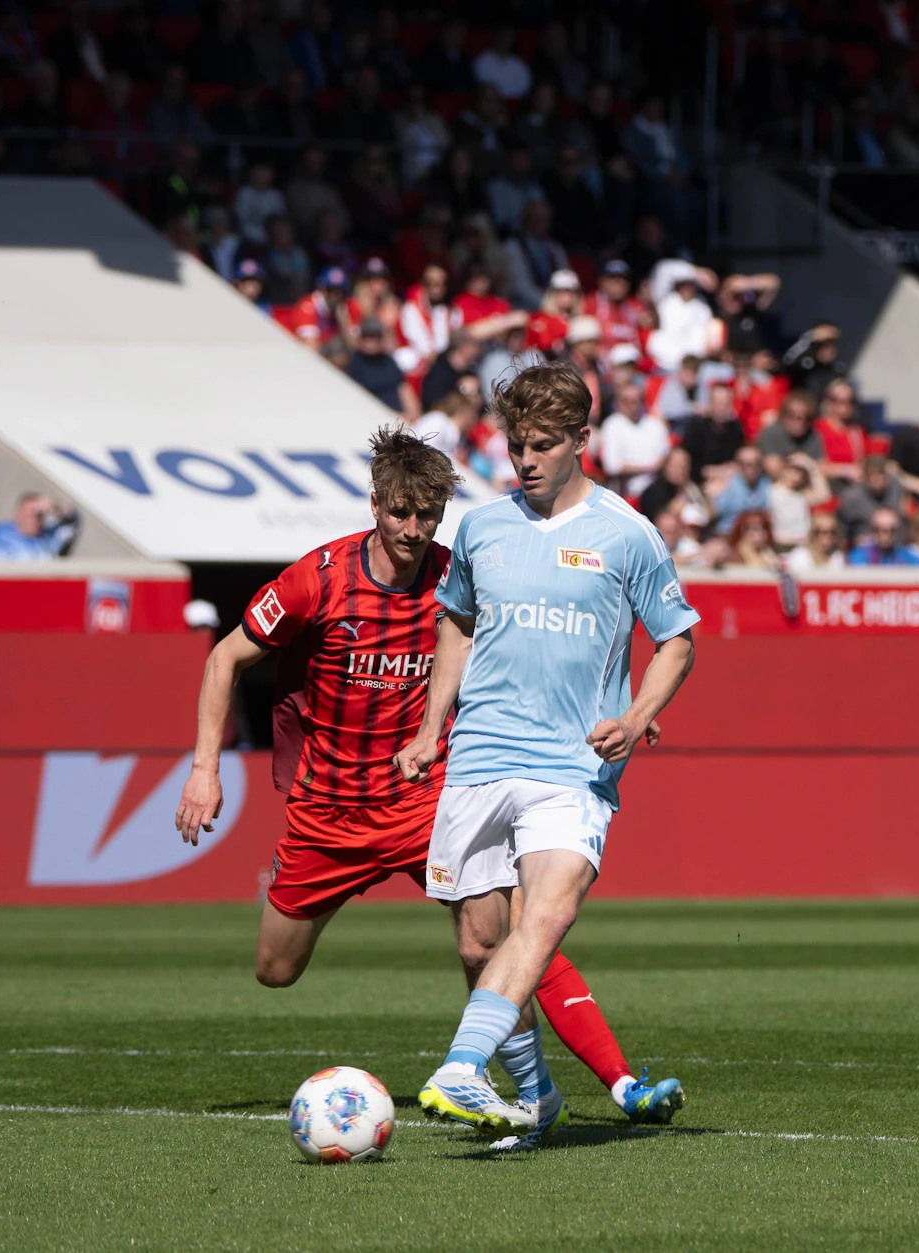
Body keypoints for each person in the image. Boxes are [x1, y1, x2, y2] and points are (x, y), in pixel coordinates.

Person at [174, 427, 682, 1135]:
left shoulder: (461, 570)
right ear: (376, 502)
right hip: (327, 809)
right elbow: (225, 658)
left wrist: (630, 711)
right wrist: (204, 769)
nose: (414, 530)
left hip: (427, 795)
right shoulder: (316, 578)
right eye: (401, 513)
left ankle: (603, 1082)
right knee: (274, 969)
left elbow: (545, 644)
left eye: (427, 515)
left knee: (510, 931)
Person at [396, 364, 698, 1148]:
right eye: (516, 444)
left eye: (543, 444)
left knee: (550, 911)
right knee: (477, 944)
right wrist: (432, 727)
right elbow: (455, 626)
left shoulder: (628, 533)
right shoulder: (482, 529)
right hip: (480, 757)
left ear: (581, 443)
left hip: (572, 765)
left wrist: (636, 717)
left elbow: (677, 642)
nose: (525, 458)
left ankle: (463, 1064)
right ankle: (537, 1095)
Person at [596, 381, 672, 501]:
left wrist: (659, 465)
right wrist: (649, 467)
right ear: (619, 402)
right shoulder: (612, 425)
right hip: (627, 493)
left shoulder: (654, 423)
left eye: (637, 400)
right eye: (628, 401)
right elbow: (612, 466)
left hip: (659, 488)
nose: (633, 405)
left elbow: (666, 454)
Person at [344, 320, 419, 420]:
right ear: (360, 339)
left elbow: (404, 389)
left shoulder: (389, 362)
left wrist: (412, 414)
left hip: (402, 419)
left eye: (375, 337)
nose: (371, 342)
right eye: (367, 337)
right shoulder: (354, 364)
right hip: (376, 419)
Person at [0, 492, 80, 560]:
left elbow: (74, 519)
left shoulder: (46, 537)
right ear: (18, 513)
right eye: (32, 514)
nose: (36, 520)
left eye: (40, 515)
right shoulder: (2, 536)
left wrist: (55, 505)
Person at [835, 454, 907, 544]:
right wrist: (854, 538)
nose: (876, 480)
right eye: (871, 476)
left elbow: (903, 517)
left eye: (880, 475)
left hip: (894, 542)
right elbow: (841, 527)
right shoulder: (851, 497)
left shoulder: (895, 487)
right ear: (864, 477)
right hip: (864, 545)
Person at [755, 389, 824, 480]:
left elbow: (821, 468)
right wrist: (803, 463)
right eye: (792, 416)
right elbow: (773, 469)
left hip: (805, 487)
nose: (798, 422)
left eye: (805, 418)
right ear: (783, 415)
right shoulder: (771, 433)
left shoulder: (813, 436)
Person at [712, 445, 771, 535]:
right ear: (737, 465)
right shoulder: (726, 484)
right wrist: (711, 497)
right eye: (745, 464)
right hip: (728, 534)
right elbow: (712, 515)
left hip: (758, 538)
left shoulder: (767, 484)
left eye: (756, 464)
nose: (751, 469)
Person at [786, 513, 847, 579]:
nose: (827, 537)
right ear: (813, 533)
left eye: (832, 532)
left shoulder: (837, 557)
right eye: (821, 532)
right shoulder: (800, 556)